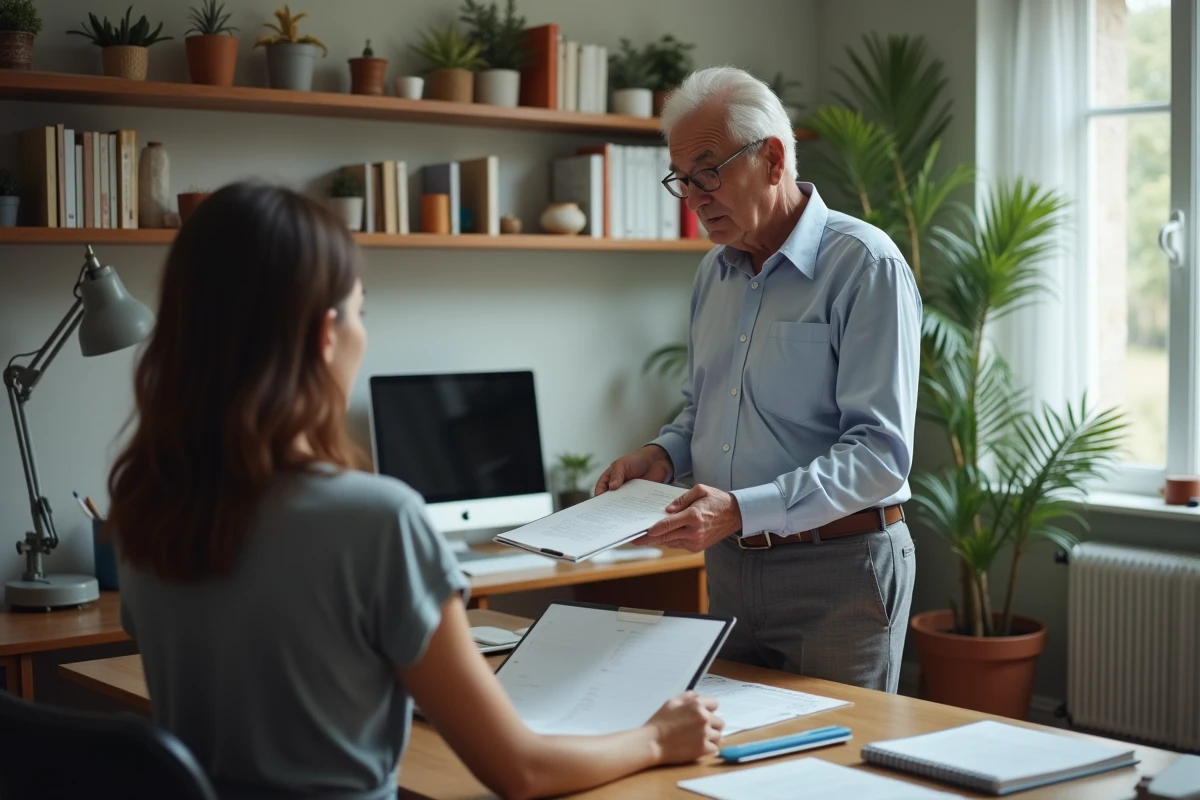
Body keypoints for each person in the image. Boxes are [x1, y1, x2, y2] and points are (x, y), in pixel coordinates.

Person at [107, 182, 722, 800]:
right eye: (359, 311)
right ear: (326, 334)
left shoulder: (143, 509)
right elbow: (521, 770)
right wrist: (658, 737)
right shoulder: (374, 521)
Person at [596, 67, 922, 694]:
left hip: (840, 570)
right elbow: (705, 409)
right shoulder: (712, 275)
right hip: (731, 569)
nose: (694, 197)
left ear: (773, 159)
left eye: (709, 172)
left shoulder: (865, 265)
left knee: (832, 773)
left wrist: (742, 510)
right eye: (682, 181)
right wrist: (661, 455)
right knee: (726, 767)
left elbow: (880, 456)